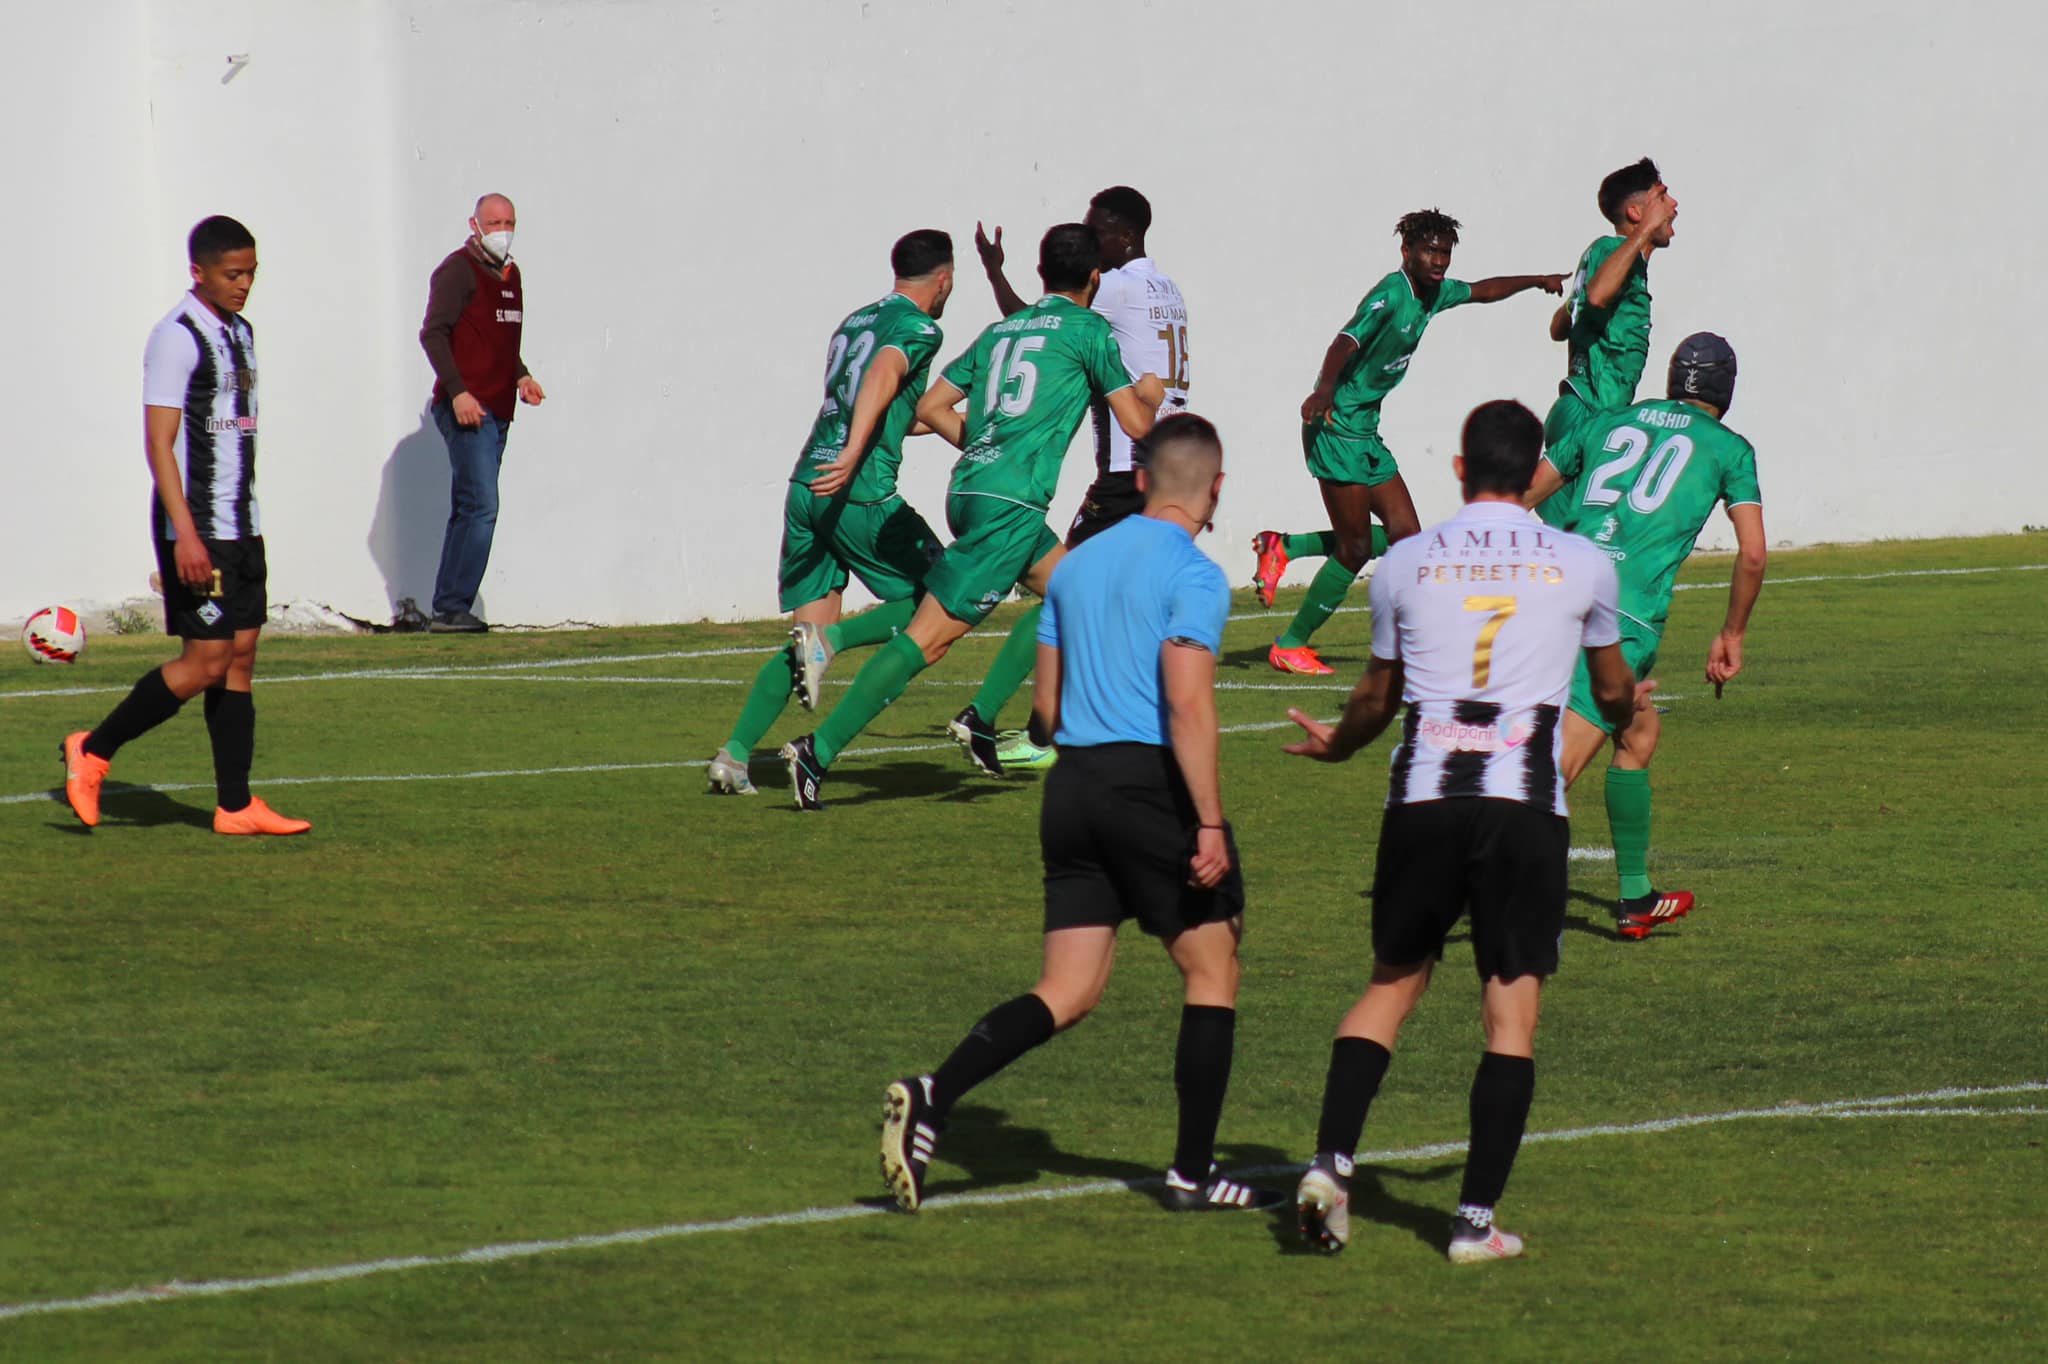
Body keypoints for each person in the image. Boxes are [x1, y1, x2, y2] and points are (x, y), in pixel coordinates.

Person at [879, 414, 1280, 1214]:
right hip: (1148, 787)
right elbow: (1187, 703)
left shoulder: (1075, 567)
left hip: (1073, 792)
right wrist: (1206, 822)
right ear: (1216, 488)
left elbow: (1047, 713)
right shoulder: (1195, 576)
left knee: (1068, 988)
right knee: (1213, 969)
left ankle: (935, 1094)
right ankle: (1193, 1174)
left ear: (1143, 480)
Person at [1283, 400, 1639, 1263]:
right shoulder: (1583, 563)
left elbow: (1376, 695)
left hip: (1424, 795)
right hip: (1523, 803)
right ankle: (1474, 1224)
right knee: (1510, 1016)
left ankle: (1331, 1162)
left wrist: (1340, 746)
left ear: (1458, 468)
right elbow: (1611, 690)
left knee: (1390, 985)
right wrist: (1632, 710)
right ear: (1538, 474)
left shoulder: (1406, 561)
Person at [778, 224, 1164, 809]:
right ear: (1094, 277)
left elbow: (932, 405)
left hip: (972, 490)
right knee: (928, 641)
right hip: (1011, 505)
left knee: (1080, 594)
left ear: (1041, 273)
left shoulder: (1003, 329)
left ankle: (983, 718)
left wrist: (985, 449)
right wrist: (1152, 394)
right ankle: (818, 749)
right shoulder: (1090, 331)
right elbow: (1136, 426)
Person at [59, 215, 311, 837]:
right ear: (198, 272)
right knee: (205, 661)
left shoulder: (242, 332)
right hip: (198, 524)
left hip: (242, 520)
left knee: (240, 657)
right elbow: (159, 443)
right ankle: (92, 750)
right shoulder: (176, 336)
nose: (244, 284)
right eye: (233, 274)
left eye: (251, 273)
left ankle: (235, 807)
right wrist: (186, 533)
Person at [1521, 333, 1766, 937]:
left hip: (1555, 590)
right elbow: (1754, 554)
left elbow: (1522, 493)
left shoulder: (1609, 420)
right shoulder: (1730, 449)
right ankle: (1465, 886)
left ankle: (1635, 898)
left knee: (1638, 731)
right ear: (1726, 391)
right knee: (1555, 771)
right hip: (1619, 618)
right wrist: (1732, 633)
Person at [1253, 211, 1562, 676]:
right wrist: (1325, 390)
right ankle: (1290, 644)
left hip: (1365, 432)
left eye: (1444, 253)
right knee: (1355, 549)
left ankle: (1285, 546)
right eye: (1430, 251)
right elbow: (1344, 342)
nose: (1438, 261)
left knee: (1406, 538)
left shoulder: (1434, 293)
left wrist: (1537, 280)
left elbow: (1483, 290)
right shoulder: (1391, 293)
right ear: (1407, 252)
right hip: (1335, 427)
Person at [705, 231, 956, 794]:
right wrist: (853, 453)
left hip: (807, 486)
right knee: (946, 594)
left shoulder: (854, 321)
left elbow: (883, 405)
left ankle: (735, 755)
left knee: (805, 639)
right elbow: (883, 375)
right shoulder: (919, 328)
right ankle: (833, 644)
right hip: (856, 490)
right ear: (943, 280)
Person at [968, 187, 1190, 770]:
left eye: (1098, 229)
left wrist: (995, 274)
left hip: (1127, 470)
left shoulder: (1112, 288)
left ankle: (1022, 730)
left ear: (1126, 235)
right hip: (1165, 468)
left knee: (1066, 594)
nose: (1091, 240)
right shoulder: (1167, 288)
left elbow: (1033, 328)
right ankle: (1114, 725)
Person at [418, 192, 546, 633]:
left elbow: (499, 342)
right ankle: (452, 606)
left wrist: (521, 376)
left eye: (509, 223)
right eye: (494, 223)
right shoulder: (457, 271)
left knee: (471, 507)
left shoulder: (511, 274)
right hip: (469, 409)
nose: (502, 231)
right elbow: (434, 333)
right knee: (482, 506)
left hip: (499, 406)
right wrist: (458, 392)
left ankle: (449, 606)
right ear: (474, 225)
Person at [1534, 158, 1678, 526]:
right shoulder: (1610, 249)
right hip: (1587, 413)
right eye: (1662, 196)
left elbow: (1558, 327)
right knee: (1583, 542)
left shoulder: (1620, 265)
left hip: (1591, 412)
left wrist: (1575, 305)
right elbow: (1597, 296)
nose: (1674, 204)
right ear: (1636, 212)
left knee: (1582, 542)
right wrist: (1642, 235)